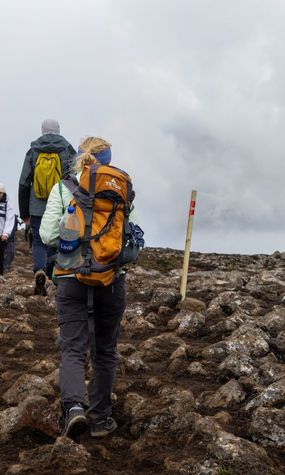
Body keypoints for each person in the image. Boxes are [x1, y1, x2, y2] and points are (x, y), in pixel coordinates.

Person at [40, 136, 135, 440]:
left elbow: (46, 233)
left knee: (73, 348)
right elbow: (129, 237)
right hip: (110, 278)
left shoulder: (63, 187)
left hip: (70, 278)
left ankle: (74, 410)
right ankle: (102, 419)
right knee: (105, 351)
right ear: (108, 158)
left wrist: (73, 243)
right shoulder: (121, 189)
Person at [19, 119, 76, 295]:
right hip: (60, 205)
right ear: (58, 130)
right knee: (55, 240)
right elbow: (74, 178)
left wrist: (24, 213)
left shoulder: (33, 150)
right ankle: (51, 277)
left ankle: (39, 270)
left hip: (36, 207)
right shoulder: (67, 149)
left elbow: (24, 182)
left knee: (38, 241)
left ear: (42, 130)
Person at [0, 183, 18, 275]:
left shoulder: (7, 203)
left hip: (2, 235)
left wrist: (6, 233)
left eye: (0, 193)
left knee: (1, 254)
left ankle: (1, 274)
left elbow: (10, 218)